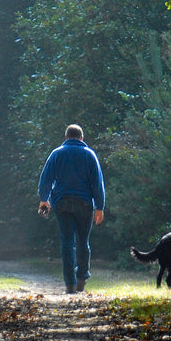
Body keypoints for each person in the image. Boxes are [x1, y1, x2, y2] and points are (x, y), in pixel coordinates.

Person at [37, 124, 105, 293]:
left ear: (66, 137)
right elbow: (97, 183)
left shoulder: (57, 153)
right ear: (81, 138)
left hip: (62, 202)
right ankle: (82, 278)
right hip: (84, 203)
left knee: (67, 241)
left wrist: (44, 199)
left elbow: (45, 179)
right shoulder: (90, 155)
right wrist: (100, 207)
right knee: (83, 240)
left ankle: (69, 283)